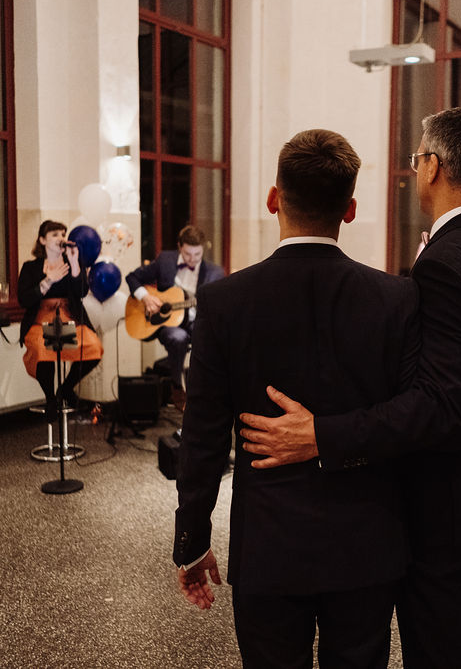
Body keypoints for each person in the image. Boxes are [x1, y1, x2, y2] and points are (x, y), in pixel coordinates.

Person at [240, 107, 461, 668]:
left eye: (414, 162)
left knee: (440, 650)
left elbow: (439, 408)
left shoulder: (445, 263)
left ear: (431, 167)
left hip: (449, 504)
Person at [173, 129, 420, 667]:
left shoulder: (225, 302)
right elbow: (412, 418)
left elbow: (204, 435)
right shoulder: (396, 299)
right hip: (366, 544)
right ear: (350, 210)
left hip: (270, 545)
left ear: (272, 199)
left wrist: (192, 537)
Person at [125, 225, 224, 405]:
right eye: (187, 254)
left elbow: (219, 307)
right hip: (167, 323)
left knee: (212, 338)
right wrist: (145, 297)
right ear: (180, 247)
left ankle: (207, 392)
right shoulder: (165, 260)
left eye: (197, 255)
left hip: (196, 321)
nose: (192, 260)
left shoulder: (214, 273)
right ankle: (177, 387)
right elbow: (132, 278)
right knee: (178, 338)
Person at [18, 220, 103, 413]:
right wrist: (49, 280)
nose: (61, 238)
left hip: (67, 318)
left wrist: (74, 263)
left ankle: (65, 389)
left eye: (63, 234)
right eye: (55, 234)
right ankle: (50, 398)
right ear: (42, 240)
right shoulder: (31, 267)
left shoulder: (72, 262)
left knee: (93, 347)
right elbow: (24, 299)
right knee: (42, 348)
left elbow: (81, 291)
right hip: (41, 320)